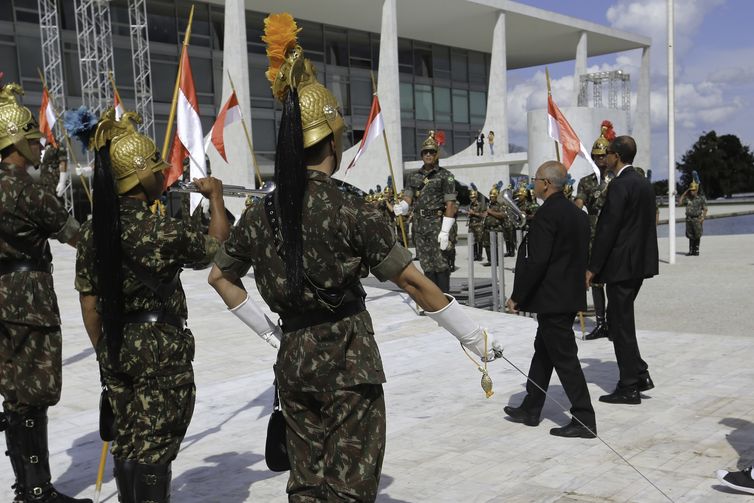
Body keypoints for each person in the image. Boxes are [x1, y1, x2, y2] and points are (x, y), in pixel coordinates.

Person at [207, 14, 503, 502]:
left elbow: (220, 276)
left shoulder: (261, 211)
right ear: (331, 141)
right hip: (348, 359)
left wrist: (270, 331)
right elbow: (411, 282)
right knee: (349, 488)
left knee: (305, 484)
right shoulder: (350, 205)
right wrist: (472, 335)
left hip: (294, 359)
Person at [73, 108, 230, 502]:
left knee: (128, 441)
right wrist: (216, 198)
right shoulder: (160, 229)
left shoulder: (94, 230)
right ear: (142, 176)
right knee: (155, 445)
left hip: (114, 342)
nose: (164, 175)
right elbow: (216, 247)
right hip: (158, 348)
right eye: (158, 170)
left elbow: (89, 301)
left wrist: (102, 351)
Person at [0, 83, 88, 502]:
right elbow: (76, 236)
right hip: (28, 301)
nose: (37, 147)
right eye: (33, 141)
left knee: (15, 396)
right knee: (33, 396)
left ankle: (26, 486)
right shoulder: (27, 190)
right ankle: (38, 492)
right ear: (17, 142)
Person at [504, 161, 596, 438]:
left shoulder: (546, 216)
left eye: (535, 180)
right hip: (567, 296)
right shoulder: (578, 215)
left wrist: (518, 296)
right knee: (543, 351)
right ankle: (531, 407)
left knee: (565, 359)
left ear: (545, 183)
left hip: (552, 298)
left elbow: (538, 261)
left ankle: (584, 418)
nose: (533, 185)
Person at [587, 135, 659, 405]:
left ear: (617, 156)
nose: (604, 159)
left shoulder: (619, 185)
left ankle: (629, 386)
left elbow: (608, 229)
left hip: (621, 266)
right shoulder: (643, 183)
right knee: (621, 321)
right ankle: (639, 374)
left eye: (607, 155)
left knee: (619, 324)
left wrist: (593, 267)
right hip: (638, 264)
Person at [394, 132, 457, 293]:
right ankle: (431, 301)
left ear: (436, 155)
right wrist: (402, 206)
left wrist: (445, 231)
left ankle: (444, 301)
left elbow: (450, 204)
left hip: (437, 224)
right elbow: (408, 198)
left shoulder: (446, 176)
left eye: (432, 152)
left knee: (441, 264)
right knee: (426, 265)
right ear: (422, 155)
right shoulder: (413, 177)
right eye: (425, 152)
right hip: (420, 226)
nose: (428, 155)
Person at [575, 121, 615, 341]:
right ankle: (601, 323)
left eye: (603, 155)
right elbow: (579, 204)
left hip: (615, 236)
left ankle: (614, 322)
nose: (601, 160)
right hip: (594, 237)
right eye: (596, 156)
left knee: (615, 282)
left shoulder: (619, 179)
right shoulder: (586, 182)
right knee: (596, 282)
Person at [679, 172, 707, 256]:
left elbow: (705, 209)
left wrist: (703, 217)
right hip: (689, 219)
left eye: (694, 190)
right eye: (691, 190)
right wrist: (685, 192)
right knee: (690, 235)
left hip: (697, 218)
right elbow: (679, 202)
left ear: (697, 190)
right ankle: (691, 251)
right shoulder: (688, 199)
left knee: (697, 234)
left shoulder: (700, 198)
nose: (692, 192)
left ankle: (696, 250)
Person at [482, 183, 504, 266]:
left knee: (495, 246)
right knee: (487, 245)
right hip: (487, 228)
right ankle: (490, 260)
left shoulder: (500, 205)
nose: (491, 198)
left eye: (493, 196)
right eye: (490, 196)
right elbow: (484, 214)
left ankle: (497, 261)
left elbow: (502, 215)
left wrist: (491, 212)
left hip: (496, 228)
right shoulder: (489, 205)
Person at [467, 183, 487, 261]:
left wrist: (474, 213)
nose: (472, 199)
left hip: (479, 225)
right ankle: (474, 254)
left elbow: (484, 215)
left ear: (476, 197)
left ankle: (479, 255)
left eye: (473, 197)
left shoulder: (481, 205)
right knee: (473, 241)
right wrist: (469, 214)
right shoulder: (470, 205)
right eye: (471, 197)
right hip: (471, 224)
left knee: (480, 241)